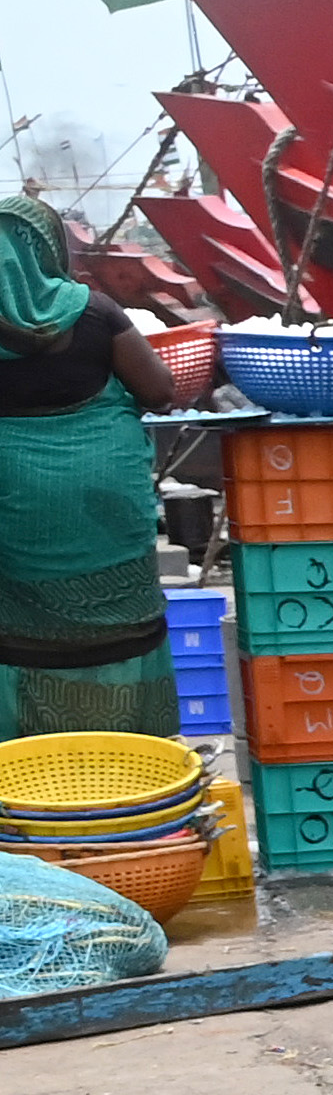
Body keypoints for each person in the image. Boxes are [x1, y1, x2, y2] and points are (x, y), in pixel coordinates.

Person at [0, 194, 188, 740]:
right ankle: (135, 745)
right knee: (124, 622)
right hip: (104, 499)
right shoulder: (92, 309)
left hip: (16, 502)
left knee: (19, 630)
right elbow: (159, 391)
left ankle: (27, 760)